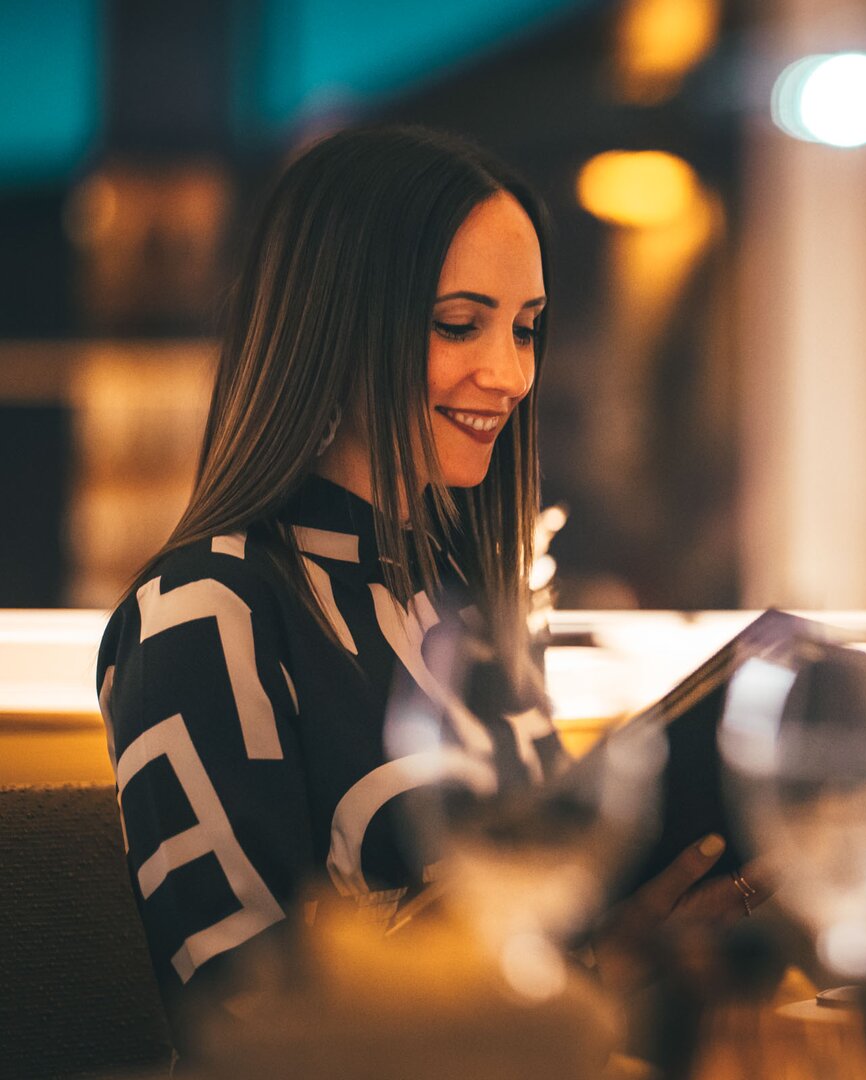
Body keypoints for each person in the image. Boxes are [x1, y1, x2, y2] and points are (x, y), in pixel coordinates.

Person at [95, 126, 753, 1053]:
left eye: (525, 328)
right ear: (332, 325)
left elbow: (534, 971)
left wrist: (629, 942)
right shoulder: (204, 611)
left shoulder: (469, 605)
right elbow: (245, 1022)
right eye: (458, 324)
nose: (510, 374)